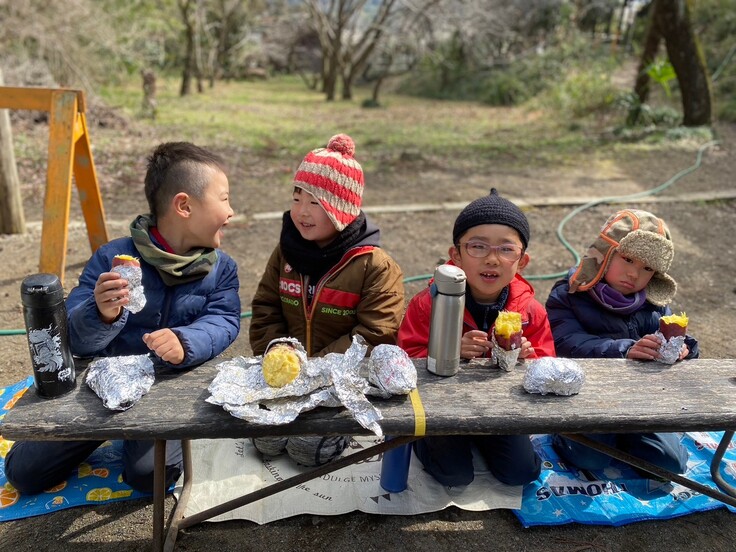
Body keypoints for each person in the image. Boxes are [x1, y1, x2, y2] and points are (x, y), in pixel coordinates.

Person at [6, 142, 241, 494]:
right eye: (224, 199)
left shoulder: (221, 269)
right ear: (184, 206)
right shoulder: (112, 257)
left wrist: (185, 341)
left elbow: (224, 320)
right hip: (101, 382)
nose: (231, 211)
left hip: (167, 385)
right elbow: (74, 337)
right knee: (24, 473)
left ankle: (143, 440)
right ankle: (103, 433)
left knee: (149, 477)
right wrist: (100, 313)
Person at [249, 133, 405, 467]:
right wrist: (276, 348)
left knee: (305, 451)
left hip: (340, 383)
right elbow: (265, 307)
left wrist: (314, 369)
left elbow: (375, 334)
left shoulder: (374, 265)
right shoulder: (286, 252)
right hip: (288, 381)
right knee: (265, 443)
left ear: (342, 208)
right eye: (296, 199)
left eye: (315, 203)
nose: (301, 212)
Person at [398, 189, 555, 488]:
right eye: (478, 247)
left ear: (522, 261)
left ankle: (485, 441)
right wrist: (449, 350)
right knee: (454, 475)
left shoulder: (529, 311)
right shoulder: (429, 304)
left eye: (506, 249)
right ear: (456, 255)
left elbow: (547, 363)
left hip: (502, 410)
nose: (492, 260)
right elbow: (404, 358)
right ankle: (421, 440)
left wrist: (527, 358)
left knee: (521, 473)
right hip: (443, 408)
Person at [545, 208, 697, 475]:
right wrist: (626, 350)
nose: (634, 274)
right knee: (590, 460)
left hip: (638, 403)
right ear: (605, 254)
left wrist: (685, 348)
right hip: (584, 399)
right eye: (627, 259)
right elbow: (565, 344)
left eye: (647, 268)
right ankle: (560, 433)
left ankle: (627, 437)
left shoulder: (654, 304)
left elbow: (670, 342)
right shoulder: (568, 294)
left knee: (671, 463)